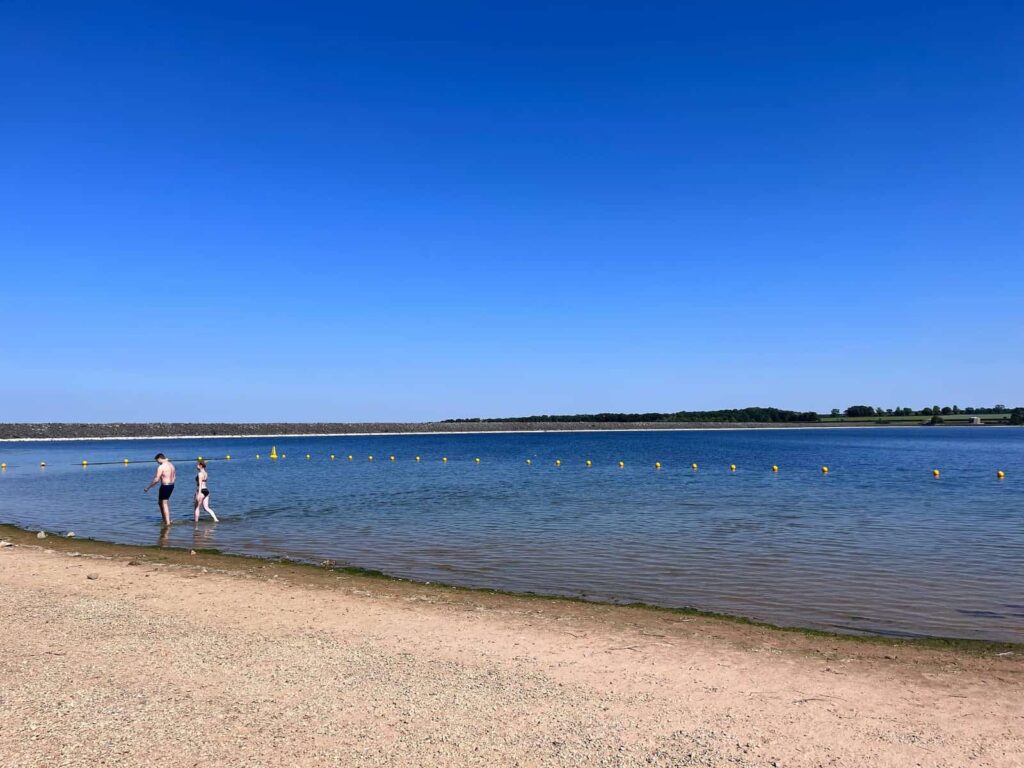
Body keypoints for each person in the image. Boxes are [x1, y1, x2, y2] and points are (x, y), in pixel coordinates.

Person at [144, 453, 176, 526]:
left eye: (157, 461)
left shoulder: (161, 467)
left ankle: (167, 522)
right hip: (171, 485)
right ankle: (165, 519)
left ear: (159, 458)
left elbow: (156, 479)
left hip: (165, 486)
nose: (157, 462)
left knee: (164, 503)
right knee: (161, 502)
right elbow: (174, 476)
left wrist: (148, 487)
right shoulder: (171, 465)